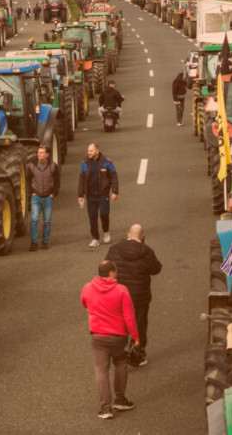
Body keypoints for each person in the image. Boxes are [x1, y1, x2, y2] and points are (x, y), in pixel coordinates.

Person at [80, 260, 139, 420]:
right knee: (120, 364)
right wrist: (135, 336)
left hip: (98, 336)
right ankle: (120, 399)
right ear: (112, 273)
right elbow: (129, 316)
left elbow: (85, 303)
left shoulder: (87, 288)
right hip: (118, 336)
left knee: (101, 370)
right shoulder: (121, 290)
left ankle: (105, 408)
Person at [105, 224, 162, 367]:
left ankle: (118, 352)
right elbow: (156, 269)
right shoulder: (146, 251)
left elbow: (106, 267)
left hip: (117, 294)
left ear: (128, 235)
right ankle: (137, 353)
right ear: (143, 237)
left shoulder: (115, 248)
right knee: (139, 324)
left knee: (119, 323)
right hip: (139, 296)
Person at [78, 143, 119, 247]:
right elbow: (81, 179)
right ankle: (95, 238)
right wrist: (80, 195)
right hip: (91, 195)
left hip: (103, 194)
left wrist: (115, 191)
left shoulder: (107, 162)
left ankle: (106, 232)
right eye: (88, 151)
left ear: (97, 151)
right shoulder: (85, 163)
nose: (89, 153)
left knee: (104, 214)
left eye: (91, 151)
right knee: (92, 216)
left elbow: (114, 176)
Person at [26, 144, 60, 251]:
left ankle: (45, 241)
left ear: (47, 155)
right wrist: (31, 192)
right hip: (36, 196)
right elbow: (27, 180)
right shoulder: (31, 165)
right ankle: (34, 242)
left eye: (41, 153)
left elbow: (57, 181)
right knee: (34, 220)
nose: (39, 154)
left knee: (47, 221)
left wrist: (53, 193)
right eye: (38, 152)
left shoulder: (53, 166)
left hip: (48, 197)